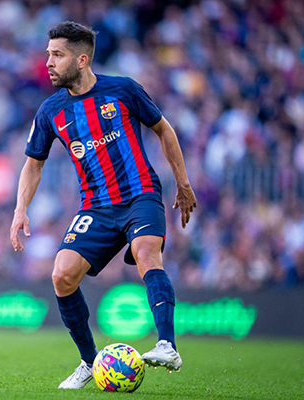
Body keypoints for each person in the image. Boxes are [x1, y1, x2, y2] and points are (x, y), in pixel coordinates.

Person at [10, 21, 197, 390]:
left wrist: (184, 183)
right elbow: (33, 164)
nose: (48, 63)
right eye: (48, 54)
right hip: (96, 207)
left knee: (146, 252)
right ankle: (88, 361)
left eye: (57, 55)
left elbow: (164, 129)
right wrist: (20, 209)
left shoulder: (123, 89)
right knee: (62, 275)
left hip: (140, 193)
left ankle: (167, 346)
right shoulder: (49, 111)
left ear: (82, 60)